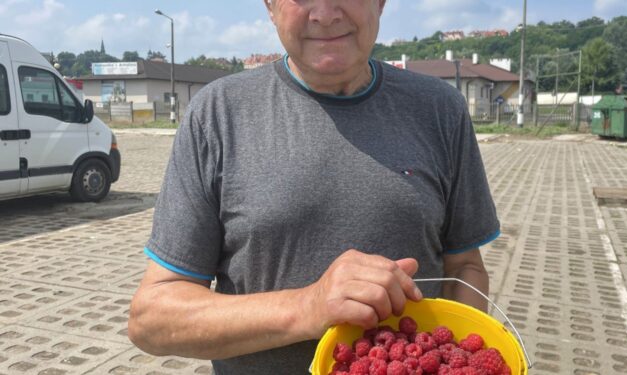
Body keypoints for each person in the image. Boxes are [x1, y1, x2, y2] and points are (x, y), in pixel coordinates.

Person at [127, 0, 500, 373]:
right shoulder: (216, 115)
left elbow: (464, 267)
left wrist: (459, 362)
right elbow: (153, 321)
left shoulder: (440, 109)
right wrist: (308, 307)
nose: (324, 14)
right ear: (270, 7)